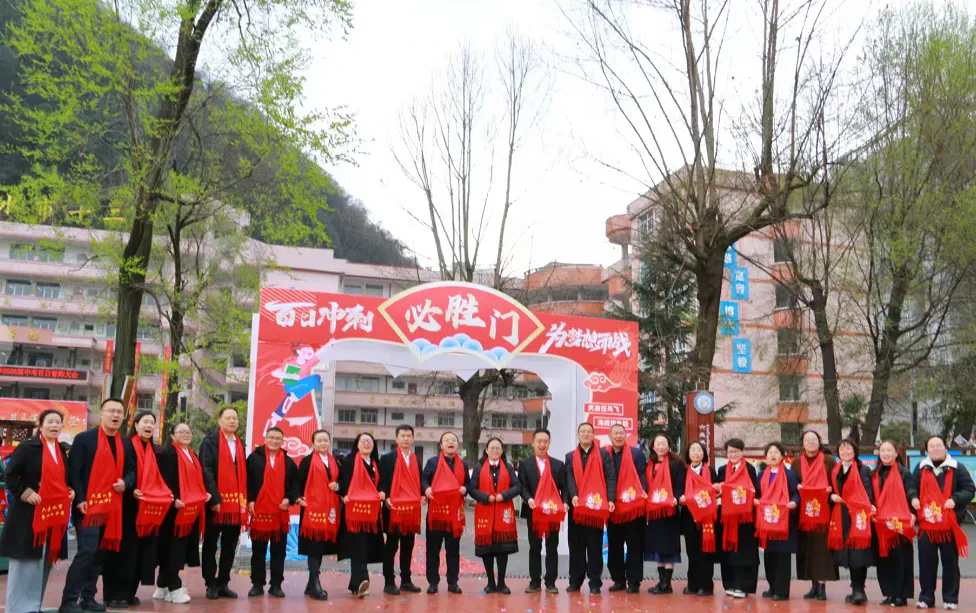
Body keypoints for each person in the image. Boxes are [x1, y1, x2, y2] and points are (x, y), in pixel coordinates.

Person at [61, 397, 136, 613]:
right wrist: (81, 499)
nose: (115, 415)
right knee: (87, 551)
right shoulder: (85, 439)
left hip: (112, 507)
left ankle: (88, 598)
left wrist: (126, 482)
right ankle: (68, 600)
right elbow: (74, 471)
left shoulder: (124, 443)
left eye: (119, 412)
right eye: (111, 411)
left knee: (100, 553)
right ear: (101, 414)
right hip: (88, 507)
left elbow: (132, 470)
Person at [0, 409, 74, 613]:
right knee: (25, 563)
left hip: (53, 516)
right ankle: (18, 608)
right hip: (28, 515)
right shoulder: (27, 448)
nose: (54, 426)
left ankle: (34, 606)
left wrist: (69, 490)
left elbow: (62, 481)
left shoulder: (62, 451)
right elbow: (11, 476)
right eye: (49, 422)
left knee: (44, 563)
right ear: (40, 425)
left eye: (58, 422)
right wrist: (25, 492)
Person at [102, 411, 173, 608]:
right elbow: (121, 472)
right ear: (136, 424)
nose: (149, 426)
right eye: (145, 422)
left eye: (152, 422)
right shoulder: (125, 445)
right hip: (127, 506)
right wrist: (131, 489)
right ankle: (113, 594)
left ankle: (129, 592)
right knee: (122, 552)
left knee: (140, 553)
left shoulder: (156, 450)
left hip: (148, 509)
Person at [911, 435, 975, 610]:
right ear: (927, 450)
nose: (936, 449)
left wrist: (955, 499)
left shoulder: (957, 468)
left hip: (949, 525)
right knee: (926, 563)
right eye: (932, 446)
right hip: (927, 526)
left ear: (946, 448)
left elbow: (969, 489)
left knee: (950, 564)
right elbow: (911, 486)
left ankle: (950, 598)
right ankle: (926, 597)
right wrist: (914, 497)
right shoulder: (921, 468)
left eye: (939, 445)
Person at [154, 422, 210, 605]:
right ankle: (174, 587)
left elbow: (196, 480)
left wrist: (203, 493)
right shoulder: (168, 454)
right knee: (173, 549)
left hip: (189, 510)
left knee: (178, 548)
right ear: (172, 435)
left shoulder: (191, 454)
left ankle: (162, 585)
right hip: (174, 509)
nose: (186, 434)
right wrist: (174, 497)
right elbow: (164, 478)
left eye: (188, 431)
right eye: (181, 432)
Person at [198, 406, 248, 600]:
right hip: (216, 503)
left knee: (230, 546)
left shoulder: (240, 443)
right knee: (211, 545)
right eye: (228, 418)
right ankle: (210, 583)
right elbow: (206, 469)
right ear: (219, 421)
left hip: (235, 505)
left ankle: (223, 582)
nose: (232, 421)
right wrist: (215, 497)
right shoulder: (210, 442)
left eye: (235, 418)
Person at [246, 427, 298, 598]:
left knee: (278, 552)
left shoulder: (288, 462)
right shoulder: (254, 458)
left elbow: (295, 485)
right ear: (265, 438)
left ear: (282, 441)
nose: (274, 441)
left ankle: (276, 585)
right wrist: (251, 500)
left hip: (279, 513)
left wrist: (289, 499)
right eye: (271, 437)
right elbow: (248, 481)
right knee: (258, 551)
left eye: (278, 438)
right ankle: (257, 584)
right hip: (259, 511)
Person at [564, 422, 616, 593]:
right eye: (582, 432)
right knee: (576, 547)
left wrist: (610, 498)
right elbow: (569, 478)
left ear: (593, 435)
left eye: (589, 432)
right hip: (576, 509)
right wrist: (573, 496)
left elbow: (610, 477)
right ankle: (575, 581)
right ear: (578, 435)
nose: (586, 434)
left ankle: (595, 582)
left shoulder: (602, 455)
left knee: (594, 548)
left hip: (595, 509)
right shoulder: (570, 456)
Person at [517, 428, 568, 594]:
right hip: (534, 512)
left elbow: (564, 487)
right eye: (539, 441)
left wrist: (565, 502)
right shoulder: (525, 464)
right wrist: (529, 499)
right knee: (535, 547)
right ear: (533, 443)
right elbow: (522, 486)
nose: (542, 444)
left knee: (552, 547)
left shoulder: (557, 465)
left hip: (552, 513)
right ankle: (534, 581)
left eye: (545, 441)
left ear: (549, 443)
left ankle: (551, 582)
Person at [468, 437, 521, 594]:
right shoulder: (478, 468)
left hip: (503, 513)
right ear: (486, 450)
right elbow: (472, 489)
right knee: (487, 550)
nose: (495, 450)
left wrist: (504, 495)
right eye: (492, 448)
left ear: (502, 450)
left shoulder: (509, 467)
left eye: (498, 448)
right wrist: (486, 497)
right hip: (485, 511)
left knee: (502, 550)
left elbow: (517, 486)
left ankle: (502, 583)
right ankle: (490, 582)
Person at [337, 432, 386, 598]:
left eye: (369, 441)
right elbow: (342, 480)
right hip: (354, 512)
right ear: (357, 444)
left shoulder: (376, 463)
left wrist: (382, 492)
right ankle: (362, 580)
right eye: (363, 441)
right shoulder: (349, 462)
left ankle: (354, 583)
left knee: (364, 547)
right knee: (357, 546)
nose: (366, 444)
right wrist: (343, 494)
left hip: (372, 514)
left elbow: (383, 483)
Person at [422, 431, 470, 594]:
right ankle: (433, 582)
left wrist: (465, 489)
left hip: (454, 515)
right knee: (433, 549)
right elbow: (423, 479)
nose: (451, 442)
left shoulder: (462, 464)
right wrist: (426, 489)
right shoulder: (432, 462)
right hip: (436, 514)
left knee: (453, 550)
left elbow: (468, 484)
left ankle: (452, 582)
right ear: (441, 445)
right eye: (447, 440)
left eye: (453, 440)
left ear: (457, 445)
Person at [296, 429, 341, 601]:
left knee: (320, 547)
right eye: (319, 440)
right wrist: (298, 497)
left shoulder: (335, 461)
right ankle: (315, 584)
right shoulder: (307, 461)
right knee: (314, 547)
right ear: (313, 443)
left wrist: (338, 485)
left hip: (329, 509)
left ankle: (310, 583)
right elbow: (298, 482)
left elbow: (341, 480)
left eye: (326, 440)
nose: (323, 443)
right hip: (312, 509)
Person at [793, 430, 838, 601]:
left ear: (819, 442)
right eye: (807, 440)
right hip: (804, 515)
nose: (811, 443)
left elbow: (836, 482)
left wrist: (831, 491)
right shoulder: (797, 462)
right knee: (808, 550)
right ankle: (813, 585)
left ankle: (822, 586)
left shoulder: (828, 460)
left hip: (824, 512)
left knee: (823, 551)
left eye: (814, 440)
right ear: (802, 443)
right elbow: (793, 483)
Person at [828, 438, 874, 605]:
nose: (845, 452)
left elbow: (868, 492)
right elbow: (831, 490)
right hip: (842, 516)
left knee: (858, 552)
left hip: (858, 515)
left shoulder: (863, 469)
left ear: (854, 452)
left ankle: (858, 590)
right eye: (842, 450)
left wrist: (866, 506)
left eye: (848, 449)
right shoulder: (835, 470)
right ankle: (856, 588)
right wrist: (831, 496)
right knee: (848, 552)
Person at [378, 425, 423, 595]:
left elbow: (417, 483)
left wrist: (422, 494)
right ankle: (389, 581)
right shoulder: (388, 458)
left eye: (408, 436)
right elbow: (382, 481)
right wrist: (386, 497)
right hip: (393, 508)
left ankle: (406, 580)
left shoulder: (416, 460)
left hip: (410, 510)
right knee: (391, 546)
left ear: (412, 439)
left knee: (408, 546)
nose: (405, 438)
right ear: (396, 439)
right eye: (402, 435)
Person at [873, 440, 916, 608]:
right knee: (884, 560)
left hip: (900, 524)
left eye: (889, 450)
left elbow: (911, 490)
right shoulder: (875, 474)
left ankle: (901, 595)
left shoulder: (904, 473)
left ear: (896, 453)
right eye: (883, 451)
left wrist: (913, 509)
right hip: (881, 524)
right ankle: (889, 593)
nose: (886, 454)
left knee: (902, 559)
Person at [605, 423, 647, 593]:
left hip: (633, 507)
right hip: (613, 508)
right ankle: (619, 580)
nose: (618, 436)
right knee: (614, 546)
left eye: (621, 433)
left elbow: (642, 474)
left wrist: (644, 491)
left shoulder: (636, 453)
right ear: (610, 435)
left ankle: (634, 581)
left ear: (626, 435)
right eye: (615, 433)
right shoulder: (603, 453)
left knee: (634, 546)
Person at [755, 442, 800, 601]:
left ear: (782, 456)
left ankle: (781, 591)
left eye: (776, 452)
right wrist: (756, 501)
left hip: (783, 521)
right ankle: (772, 586)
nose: (773, 455)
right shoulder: (761, 475)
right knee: (769, 556)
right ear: (765, 456)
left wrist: (794, 502)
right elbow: (757, 494)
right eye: (770, 452)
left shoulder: (789, 475)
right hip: (767, 521)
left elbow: (795, 493)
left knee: (782, 557)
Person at [716, 438, 759, 598]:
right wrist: (718, 488)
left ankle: (743, 586)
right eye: (730, 451)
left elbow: (753, 490)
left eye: (736, 451)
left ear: (742, 452)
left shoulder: (750, 469)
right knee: (728, 551)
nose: (733, 454)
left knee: (744, 552)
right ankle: (730, 584)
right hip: (727, 518)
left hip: (744, 519)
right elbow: (718, 491)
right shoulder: (722, 470)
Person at [644, 434, 685, 594]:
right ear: (653, 446)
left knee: (669, 546)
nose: (660, 447)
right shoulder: (650, 464)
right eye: (657, 444)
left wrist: (675, 497)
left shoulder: (676, 464)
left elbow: (680, 485)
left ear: (669, 446)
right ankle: (661, 582)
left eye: (664, 444)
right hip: (654, 513)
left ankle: (667, 583)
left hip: (669, 511)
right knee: (658, 546)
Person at [679, 440, 718, 596]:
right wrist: (680, 497)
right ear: (688, 454)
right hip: (689, 516)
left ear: (704, 453)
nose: (696, 453)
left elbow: (717, 491)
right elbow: (678, 489)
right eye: (693, 450)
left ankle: (706, 586)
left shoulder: (711, 471)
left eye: (699, 450)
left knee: (705, 552)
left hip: (707, 517)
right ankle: (692, 584)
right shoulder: (684, 472)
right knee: (691, 551)